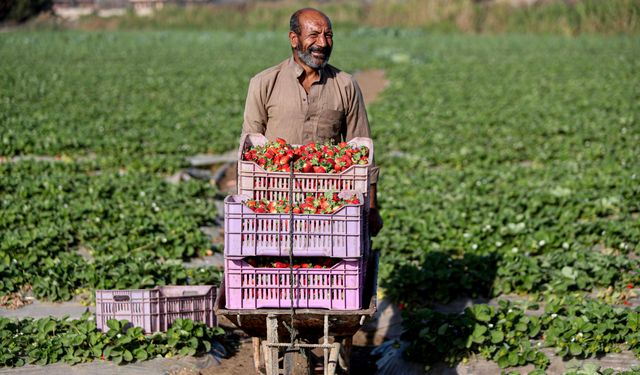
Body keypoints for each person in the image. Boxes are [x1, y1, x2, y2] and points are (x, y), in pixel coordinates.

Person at [242, 8, 383, 236]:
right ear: (293, 38)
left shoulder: (345, 85)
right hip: (275, 201)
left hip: (329, 204)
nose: (323, 43)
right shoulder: (264, 83)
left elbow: (363, 149)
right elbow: (250, 151)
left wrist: (373, 208)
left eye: (328, 35)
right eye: (314, 35)